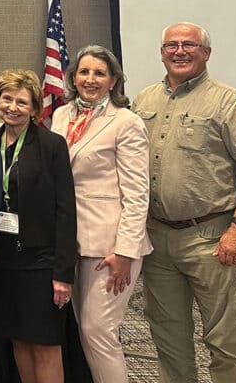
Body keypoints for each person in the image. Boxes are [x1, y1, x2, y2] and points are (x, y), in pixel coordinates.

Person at [132, 22, 236, 382]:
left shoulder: (229, 101)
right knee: (167, 337)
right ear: (162, 52)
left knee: (226, 340)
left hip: (213, 238)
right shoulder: (143, 100)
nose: (179, 51)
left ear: (206, 53)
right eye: (171, 45)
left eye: (189, 45)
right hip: (157, 239)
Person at [50, 45, 151, 383]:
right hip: (70, 241)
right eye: (84, 72)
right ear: (73, 77)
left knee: (99, 332)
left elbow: (138, 194)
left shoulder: (126, 122)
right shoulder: (62, 115)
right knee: (85, 331)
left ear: (113, 81)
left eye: (99, 73)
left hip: (110, 246)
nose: (90, 79)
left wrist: (126, 251)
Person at [0, 69, 77, 383]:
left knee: (45, 344)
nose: (12, 107)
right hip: (4, 263)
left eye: (22, 102)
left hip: (41, 263)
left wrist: (63, 274)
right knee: (19, 339)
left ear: (35, 108)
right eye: (7, 99)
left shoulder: (51, 145)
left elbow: (66, 211)